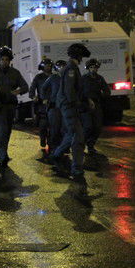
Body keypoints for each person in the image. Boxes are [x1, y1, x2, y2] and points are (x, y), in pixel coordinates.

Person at [50, 43, 91, 178]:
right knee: (78, 136)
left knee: (71, 133)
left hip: (69, 105)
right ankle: (76, 168)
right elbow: (69, 91)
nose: (82, 59)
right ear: (78, 56)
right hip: (69, 106)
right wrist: (78, 104)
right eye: (81, 56)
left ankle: (57, 154)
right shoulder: (71, 69)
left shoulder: (72, 67)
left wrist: (86, 100)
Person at [0, 46, 28, 168]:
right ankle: (1, 155)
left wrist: (17, 91)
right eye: (2, 59)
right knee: (2, 131)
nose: (4, 62)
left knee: (7, 131)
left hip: (11, 107)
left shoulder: (15, 73)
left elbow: (25, 86)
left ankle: (3, 151)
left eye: (7, 59)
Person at [81, 58, 111, 154]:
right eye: (91, 67)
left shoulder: (100, 78)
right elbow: (79, 92)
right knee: (88, 126)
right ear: (88, 68)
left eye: (95, 67)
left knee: (97, 127)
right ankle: (80, 145)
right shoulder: (83, 79)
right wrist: (87, 99)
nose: (93, 69)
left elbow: (107, 91)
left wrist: (102, 95)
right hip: (85, 105)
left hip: (97, 104)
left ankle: (91, 145)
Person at [40, 60, 66, 157]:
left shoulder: (68, 78)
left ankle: (62, 147)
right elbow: (43, 88)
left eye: (63, 66)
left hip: (64, 107)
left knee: (64, 129)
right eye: (60, 67)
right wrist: (45, 98)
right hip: (54, 106)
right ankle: (52, 147)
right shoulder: (53, 77)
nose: (62, 68)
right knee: (54, 128)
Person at [29, 58, 53, 156]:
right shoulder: (38, 77)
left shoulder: (54, 77)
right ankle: (43, 141)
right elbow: (32, 89)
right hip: (42, 105)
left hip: (53, 105)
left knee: (53, 126)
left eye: (50, 65)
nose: (48, 67)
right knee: (43, 126)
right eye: (46, 65)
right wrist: (33, 97)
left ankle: (51, 144)